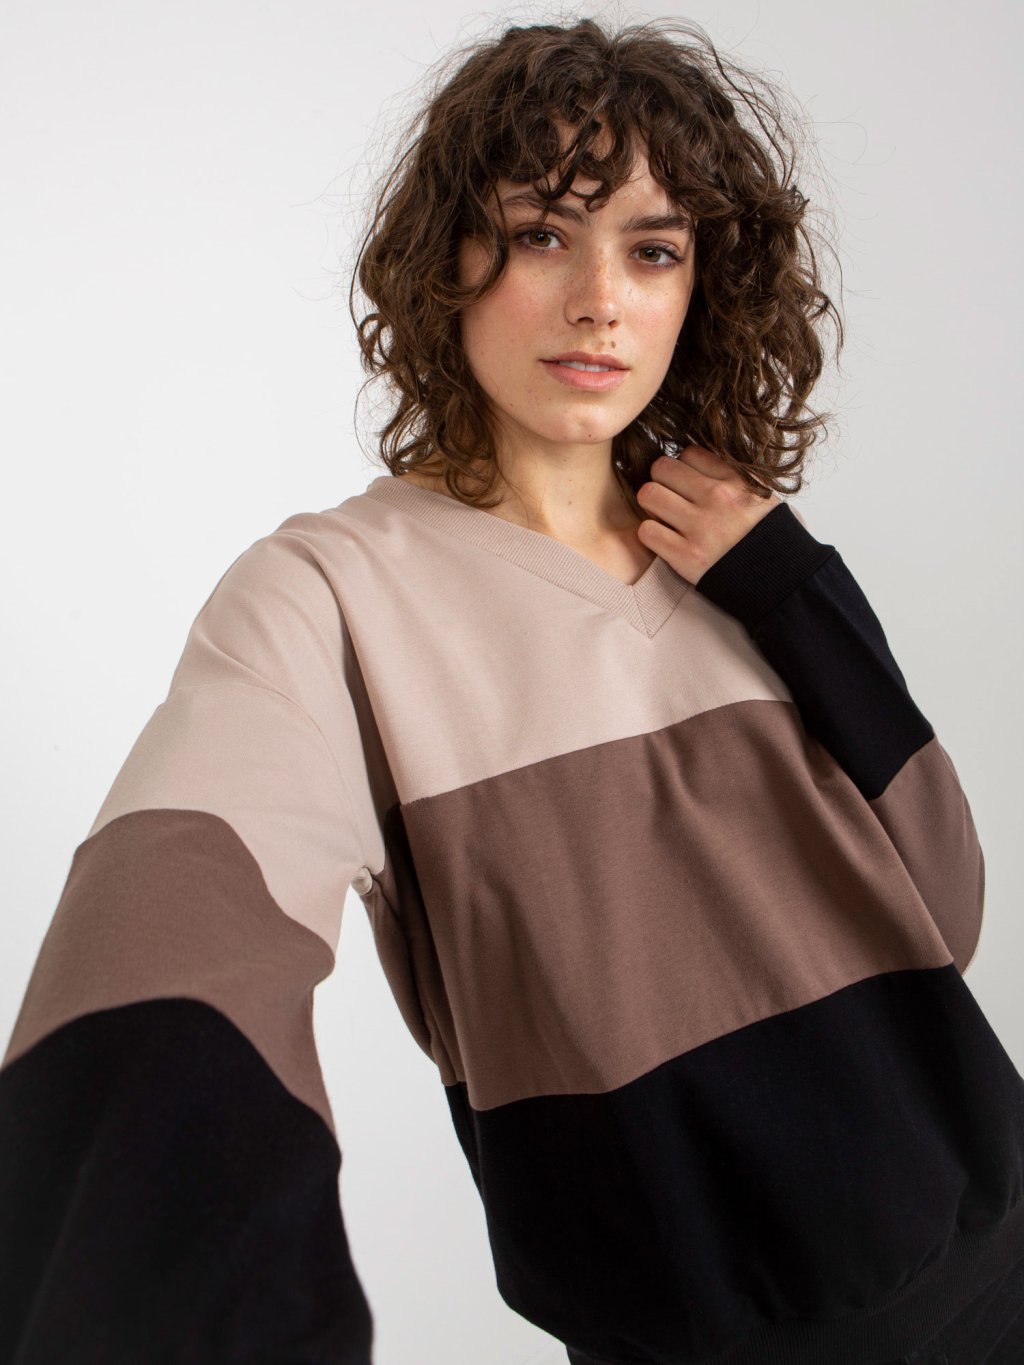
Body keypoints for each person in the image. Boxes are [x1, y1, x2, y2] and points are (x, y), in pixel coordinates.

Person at [2, 14, 1022, 1365]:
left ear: (701, 286)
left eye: (653, 249)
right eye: (543, 232)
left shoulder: (738, 554)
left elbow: (943, 903)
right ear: (448, 260)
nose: (602, 298)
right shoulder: (331, 594)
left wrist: (796, 587)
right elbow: (171, 938)